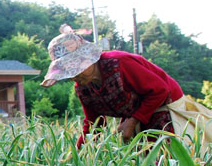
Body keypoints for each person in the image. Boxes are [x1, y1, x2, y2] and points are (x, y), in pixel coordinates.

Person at [41, 25, 183, 148]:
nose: (74, 76)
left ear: (88, 59)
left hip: (165, 107)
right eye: (69, 72)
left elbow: (160, 91)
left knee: (163, 158)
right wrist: (78, 154)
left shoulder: (120, 64)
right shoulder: (83, 88)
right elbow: (94, 123)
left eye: (76, 68)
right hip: (136, 115)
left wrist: (134, 120)